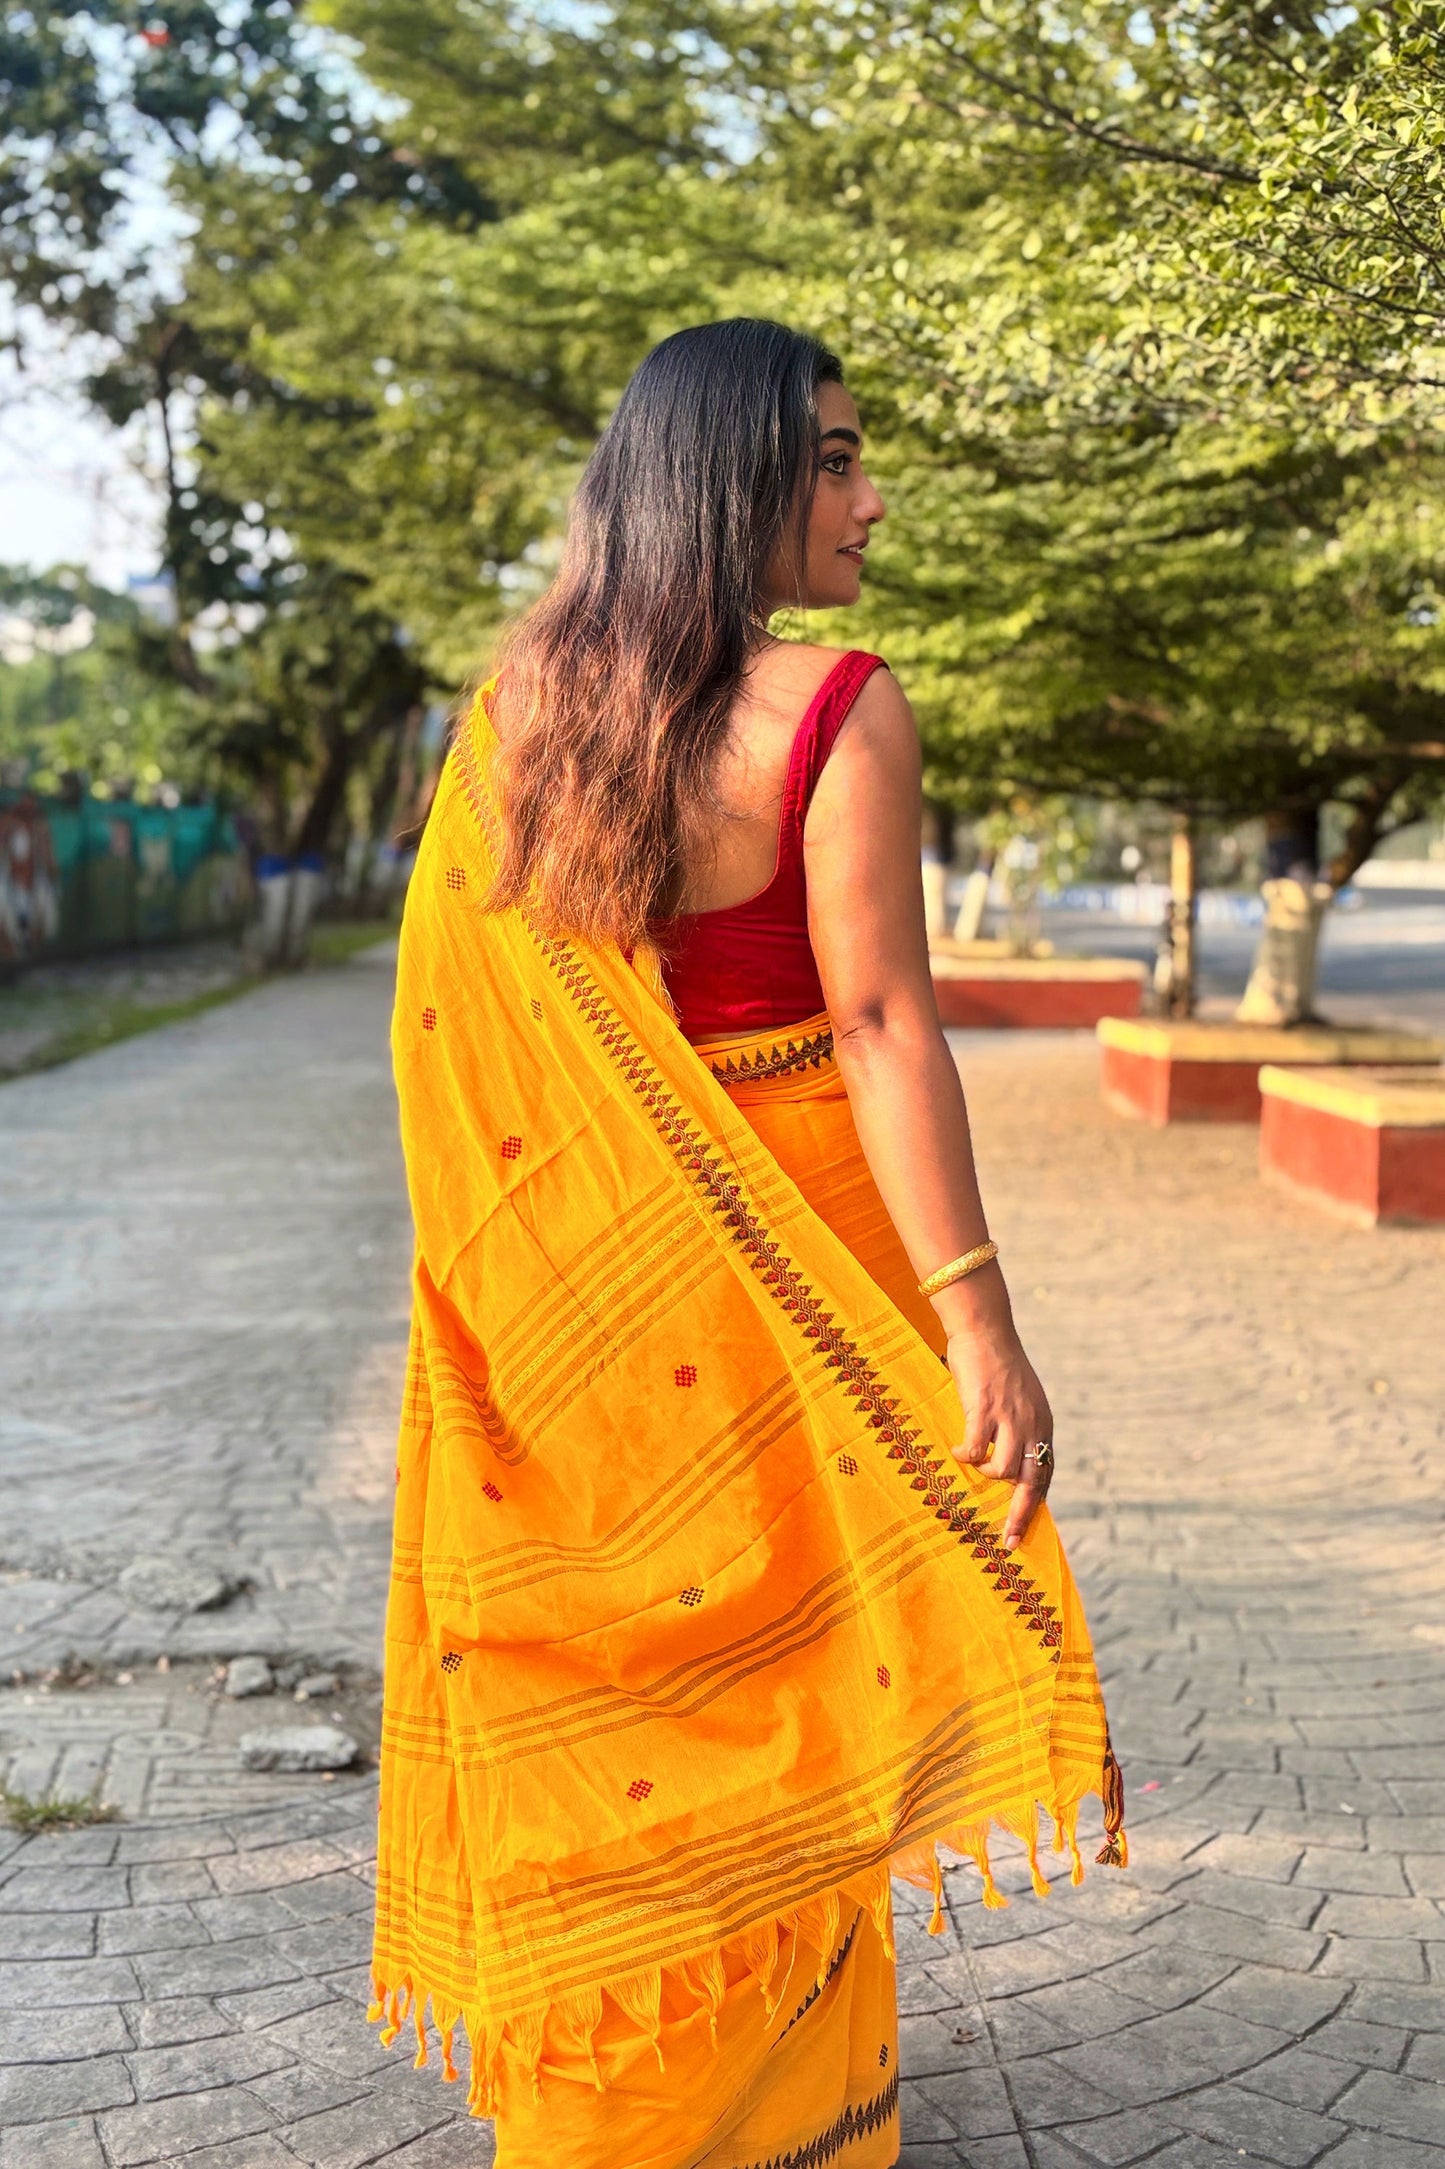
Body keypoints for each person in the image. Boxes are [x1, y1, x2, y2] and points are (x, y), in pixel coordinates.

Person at [369, 319, 1124, 2169]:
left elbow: (460, 1042)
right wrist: (977, 1315)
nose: (871, 501)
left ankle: (622, 2118)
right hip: (797, 1257)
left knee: (628, 1706)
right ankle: (780, 2119)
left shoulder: (521, 712)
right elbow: (878, 1027)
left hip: (580, 1303)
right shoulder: (835, 704)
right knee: (797, 1689)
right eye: (839, 462)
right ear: (736, 484)